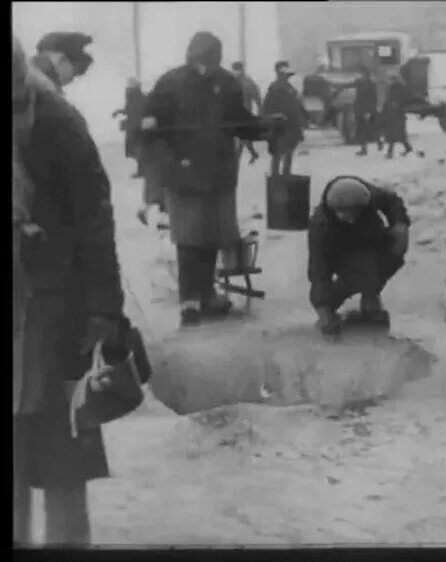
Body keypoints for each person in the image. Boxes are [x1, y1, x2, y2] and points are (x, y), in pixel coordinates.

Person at [13, 36, 125, 545]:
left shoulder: (56, 123)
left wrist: (104, 309)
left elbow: (94, 219)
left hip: (54, 315)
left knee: (60, 453)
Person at [142, 32, 278, 325]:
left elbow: (240, 122)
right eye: (200, 61)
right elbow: (150, 127)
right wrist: (163, 158)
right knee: (189, 239)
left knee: (212, 236)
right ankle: (190, 302)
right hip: (184, 175)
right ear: (191, 57)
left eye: (212, 61)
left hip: (219, 174)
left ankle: (207, 294)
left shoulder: (227, 83)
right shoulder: (170, 83)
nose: (206, 67)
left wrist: (265, 128)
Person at [308, 176, 411, 335]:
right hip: (341, 254)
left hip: (370, 241)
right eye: (346, 214)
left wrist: (400, 224)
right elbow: (318, 270)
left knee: (387, 255)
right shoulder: (321, 227)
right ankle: (334, 302)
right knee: (360, 273)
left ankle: (370, 292)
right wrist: (323, 309)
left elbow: (392, 200)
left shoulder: (367, 196)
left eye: (356, 212)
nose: (352, 218)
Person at [262, 60, 307, 176]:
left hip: (290, 125)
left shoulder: (289, 88)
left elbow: (296, 107)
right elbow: (268, 108)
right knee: (279, 152)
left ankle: (284, 174)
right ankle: (276, 176)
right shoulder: (275, 87)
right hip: (280, 125)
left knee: (288, 151)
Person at [112, 77, 146, 178]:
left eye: (130, 85)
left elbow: (135, 111)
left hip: (136, 127)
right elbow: (129, 109)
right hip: (134, 127)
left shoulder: (137, 97)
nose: (128, 87)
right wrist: (119, 111)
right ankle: (141, 170)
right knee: (136, 150)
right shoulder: (133, 96)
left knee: (137, 150)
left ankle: (142, 171)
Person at [230, 61, 262, 164]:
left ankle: (237, 159)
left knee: (242, 137)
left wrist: (260, 112)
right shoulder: (232, 81)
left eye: (236, 69)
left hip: (244, 113)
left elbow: (257, 97)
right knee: (244, 137)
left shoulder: (247, 82)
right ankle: (252, 154)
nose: (235, 72)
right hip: (234, 114)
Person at [382, 74, 413, 159]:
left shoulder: (395, 89)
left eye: (390, 80)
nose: (388, 82)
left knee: (393, 134)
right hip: (397, 114)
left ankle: (390, 153)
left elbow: (392, 101)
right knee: (399, 134)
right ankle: (407, 148)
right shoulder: (398, 88)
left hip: (395, 114)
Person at [354, 65, 381, 156]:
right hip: (361, 110)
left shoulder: (369, 84)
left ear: (364, 74)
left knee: (364, 130)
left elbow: (371, 98)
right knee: (368, 129)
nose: (358, 75)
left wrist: (368, 111)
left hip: (366, 110)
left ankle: (364, 149)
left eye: (359, 73)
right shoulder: (360, 83)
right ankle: (378, 142)